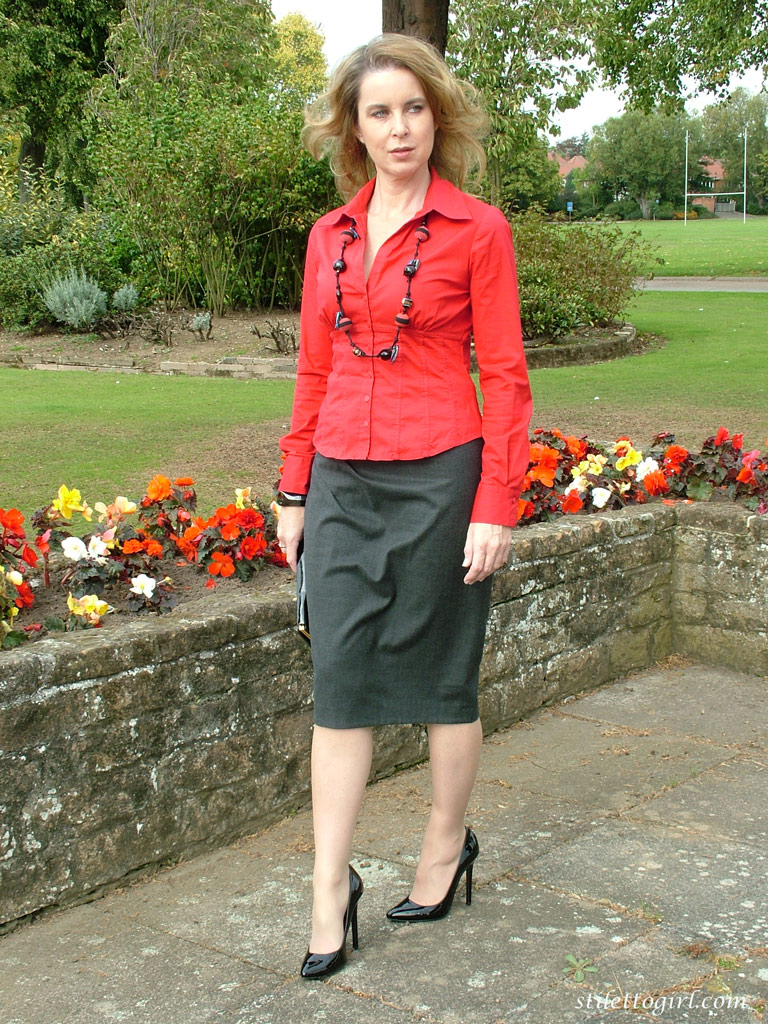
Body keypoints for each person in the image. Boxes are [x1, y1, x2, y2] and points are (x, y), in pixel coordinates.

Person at [275, 33, 532, 980]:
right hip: (342, 479)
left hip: (443, 480)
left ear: (437, 118)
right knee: (339, 682)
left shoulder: (480, 231)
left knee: (441, 679)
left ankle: (444, 844)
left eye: (414, 108)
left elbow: (506, 377)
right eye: (379, 112)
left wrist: (495, 502)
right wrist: (294, 489)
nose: (398, 128)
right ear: (353, 128)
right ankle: (327, 890)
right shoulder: (328, 237)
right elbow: (313, 369)